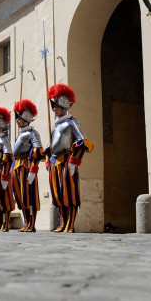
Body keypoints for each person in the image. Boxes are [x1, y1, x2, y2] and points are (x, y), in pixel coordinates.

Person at [45, 84, 94, 233]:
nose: (54, 109)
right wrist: (47, 160)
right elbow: (50, 146)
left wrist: (74, 161)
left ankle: (70, 224)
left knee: (69, 194)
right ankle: (62, 222)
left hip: (67, 160)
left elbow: (83, 142)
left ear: (63, 106)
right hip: (55, 162)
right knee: (57, 194)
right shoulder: (55, 126)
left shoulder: (72, 122)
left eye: (56, 106)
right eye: (53, 106)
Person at [12, 100, 43, 232]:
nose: (17, 121)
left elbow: (38, 151)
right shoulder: (20, 135)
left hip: (26, 166)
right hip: (17, 166)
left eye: (18, 118)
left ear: (25, 118)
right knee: (20, 196)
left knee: (30, 196)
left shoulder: (32, 133)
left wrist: (33, 169)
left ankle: (32, 224)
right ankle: (26, 222)